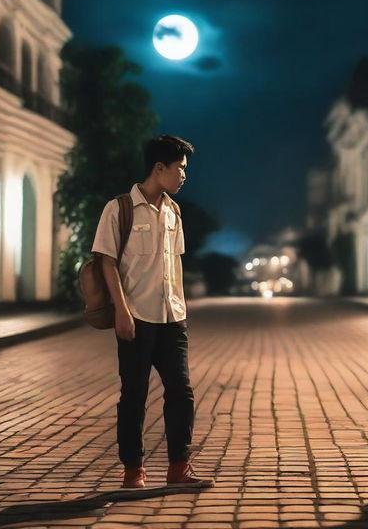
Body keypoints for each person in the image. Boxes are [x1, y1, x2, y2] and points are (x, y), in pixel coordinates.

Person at [91, 134, 213, 490]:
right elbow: (107, 261)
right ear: (159, 168)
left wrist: (181, 307)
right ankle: (133, 472)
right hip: (136, 317)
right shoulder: (119, 208)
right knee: (134, 394)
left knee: (181, 392)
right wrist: (121, 311)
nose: (184, 176)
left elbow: (173, 266)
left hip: (172, 318)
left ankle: (179, 467)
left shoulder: (174, 212)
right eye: (180, 169)